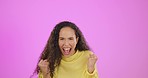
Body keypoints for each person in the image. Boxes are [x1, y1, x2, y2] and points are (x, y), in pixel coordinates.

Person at [33, 21, 99, 78]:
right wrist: (46, 74)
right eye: (62, 39)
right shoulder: (48, 61)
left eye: (70, 39)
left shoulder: (88, 56)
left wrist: (91, 69)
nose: (66, 44)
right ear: (57, 41)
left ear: (77, 40)